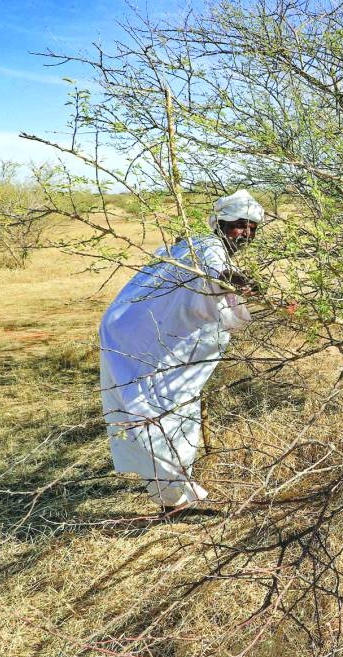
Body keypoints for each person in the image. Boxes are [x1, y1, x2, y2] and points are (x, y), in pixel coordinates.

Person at [100, 189, 264, 512]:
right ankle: (174, 497)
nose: (245, 233)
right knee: (160, 412)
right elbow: (218, 273)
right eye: (238, 225)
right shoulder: (210, 248)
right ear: (221, 224)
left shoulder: (195, 244)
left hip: (138, 338)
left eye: (251, 228)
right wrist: (240, 282)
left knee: (172, 410)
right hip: (137, 343)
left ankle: (170, 495)